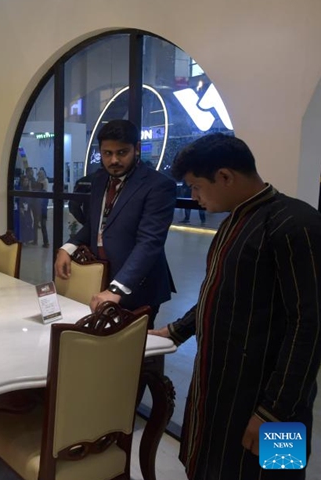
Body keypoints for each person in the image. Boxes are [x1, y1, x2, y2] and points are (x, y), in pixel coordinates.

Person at [150, 133, 321, 480]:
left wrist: (271, 412)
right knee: (216, 467)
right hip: (224, 389)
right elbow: (220, 293)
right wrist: (176, 330)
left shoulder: (296, 223)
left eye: (196, 187)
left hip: (275, 402)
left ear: (225, 176)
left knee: (277, 473)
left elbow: (310, 325)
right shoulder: (234, 221)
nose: (194, 197)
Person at [54, 119, 176, 326]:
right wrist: (67, 248)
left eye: (122, 152)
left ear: (136, 149)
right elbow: (96, 225)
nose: (114, 160)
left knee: (132, 353)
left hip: (138, 285)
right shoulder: (100, 179)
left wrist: (117, 289)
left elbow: (149, 243)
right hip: (102, 277)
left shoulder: (158, 186)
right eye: (107, 153)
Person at [36, 168, 50, 247]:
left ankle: (46, 242)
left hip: (42, 210)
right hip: (39, 208)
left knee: (43, 225)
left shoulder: (44, 182)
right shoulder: (39, 181)